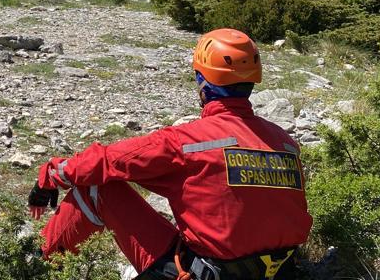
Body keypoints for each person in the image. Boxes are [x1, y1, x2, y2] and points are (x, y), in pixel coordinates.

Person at [29, 28, 312, 280]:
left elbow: (104, 162)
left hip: (204, 272)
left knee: (96, 188)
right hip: (279, 270)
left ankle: (36, 267)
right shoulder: (284, 142)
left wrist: (50, 176)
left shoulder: (187, 142)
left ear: (203, 82)